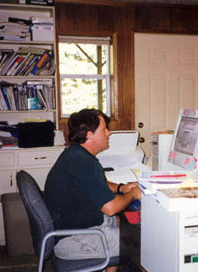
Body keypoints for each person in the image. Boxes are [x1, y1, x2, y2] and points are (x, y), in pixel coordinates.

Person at [44, 108, 141, 272]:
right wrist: (133, 194)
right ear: (89, 135)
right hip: (75, 241)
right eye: (104, 129)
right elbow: (111, 208)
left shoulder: (75, 154)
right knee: (148, 241)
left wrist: (121, 188)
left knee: (120, 222)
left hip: (71, 231)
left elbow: (96, 183)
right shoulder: (84, 162)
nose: (109, 133)